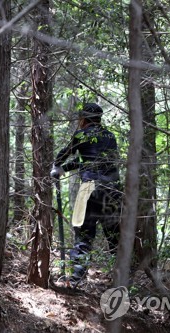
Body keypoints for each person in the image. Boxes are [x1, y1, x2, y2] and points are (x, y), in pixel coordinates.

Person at [50, 102, 123, 285]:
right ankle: (122, 279)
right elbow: (94, 162)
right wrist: (64, 169)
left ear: (84, 118)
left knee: (84, 234)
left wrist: (58, 166)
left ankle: (77, 278)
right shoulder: (110, 136)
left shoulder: (81, 134)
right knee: (114, 236)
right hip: (113, 190)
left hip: (90, 188)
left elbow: (66, 154)